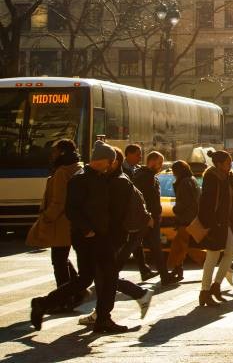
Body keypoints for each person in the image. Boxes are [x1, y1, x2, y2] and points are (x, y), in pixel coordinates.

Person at [30, 140, 129, 334]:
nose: (111, 165)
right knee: (104, 277)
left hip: (99, 237)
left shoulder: (98, 177)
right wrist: (86, 230)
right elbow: (71, 209)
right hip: (89, 238)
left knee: (88, 278)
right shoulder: (80, 179)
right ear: (103, 161)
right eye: (111, 161)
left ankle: (44, 304)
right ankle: (102, 319)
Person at [77, 147, 154, 326]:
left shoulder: (117, 182)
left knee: (106, 275)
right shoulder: (110, 179)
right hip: (110, 236)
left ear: (114, 162)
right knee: (105, 275)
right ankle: (103, 313)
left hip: (113, 237)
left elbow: (114, 214)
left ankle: (129, 299)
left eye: (106, 161)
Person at [26, 139, 82, 297]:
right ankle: (77, 291)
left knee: (59, 260)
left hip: (61, 222)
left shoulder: (62, 172)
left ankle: (65, 297)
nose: (52, 155)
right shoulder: (78, 167)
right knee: (62, 258)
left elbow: (59, 201)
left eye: (55, 152)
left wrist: (46, 217)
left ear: (62, 153)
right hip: (74, 221)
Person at [197, 150, 233, 307]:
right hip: (213, 223)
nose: (230, 166)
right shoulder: (211, 177)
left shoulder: (227, 176)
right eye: (228, 163)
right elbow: (206, 204)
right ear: (219, 164)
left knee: (232, 252)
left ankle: (216, 286)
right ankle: (205, 292)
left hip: (224, 222)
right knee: (212, 257)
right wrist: (210, 225)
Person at [133, 151, 177, 286]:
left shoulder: (146, 175)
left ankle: (163, 275)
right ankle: (164, 276)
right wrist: (152, 215)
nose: (161, 166)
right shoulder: (145, 177)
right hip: (149, 218)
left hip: (149, 217)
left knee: (144, 246)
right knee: (150, 247)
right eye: (159, 163)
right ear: (151, 162)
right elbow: (147, 200)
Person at [120, 143, 151, 279]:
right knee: (129, 243)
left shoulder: (138, 170)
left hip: (136, 211)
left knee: (136, 241)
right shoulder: (120, 169)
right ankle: (115, 269)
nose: (140, 157)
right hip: (124, 212)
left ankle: (144, 269)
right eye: (138, 154)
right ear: (129, 154)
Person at [166, 160, 199, 280]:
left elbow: (184, 202)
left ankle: (204, 260)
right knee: (181, 245)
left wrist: (175, 209)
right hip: (190, 218)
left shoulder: (184, 182)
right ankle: (177, 269)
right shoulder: (191, 180)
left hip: (186, 219)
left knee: (182, 246)